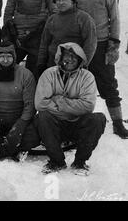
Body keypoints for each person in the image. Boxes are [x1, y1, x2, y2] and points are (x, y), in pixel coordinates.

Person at [35, 42, 106, 175]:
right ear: (60, 58)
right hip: (54, 126)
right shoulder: (48, 74)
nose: (70, 59)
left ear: (80, 59)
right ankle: (57, 162)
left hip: (78, 125)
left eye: (74, 56)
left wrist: (59, 101)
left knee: (98, 119)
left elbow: (88, 106)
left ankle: (80, 163)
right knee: (43, 116)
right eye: (66, 55)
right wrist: (73, 107)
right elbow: (40, 104)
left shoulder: (87, 77)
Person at [76, 0, 128, 139]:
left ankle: (117, 123)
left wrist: (113, 46)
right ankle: (79, 123)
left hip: (103, 44)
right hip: (83, 47)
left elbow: (114, 19)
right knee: (80, 85)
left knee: (108, 85)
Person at [3, 0, 55, 76]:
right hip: (18, 39)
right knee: (8, 68)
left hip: (38, 39)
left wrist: (46, 32)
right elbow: (8, 12)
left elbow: (54, 13)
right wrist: (10, 33)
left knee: (34, 72)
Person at [37, 0, 97, 77]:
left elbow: (90, 44)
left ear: (73, 1)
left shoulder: (83, 18)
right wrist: (40, 63)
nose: (61, 2)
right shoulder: (52, 19)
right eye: (58, 0)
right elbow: (44, 43)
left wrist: (83, 65)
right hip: (53, 65)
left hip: (74, 66)